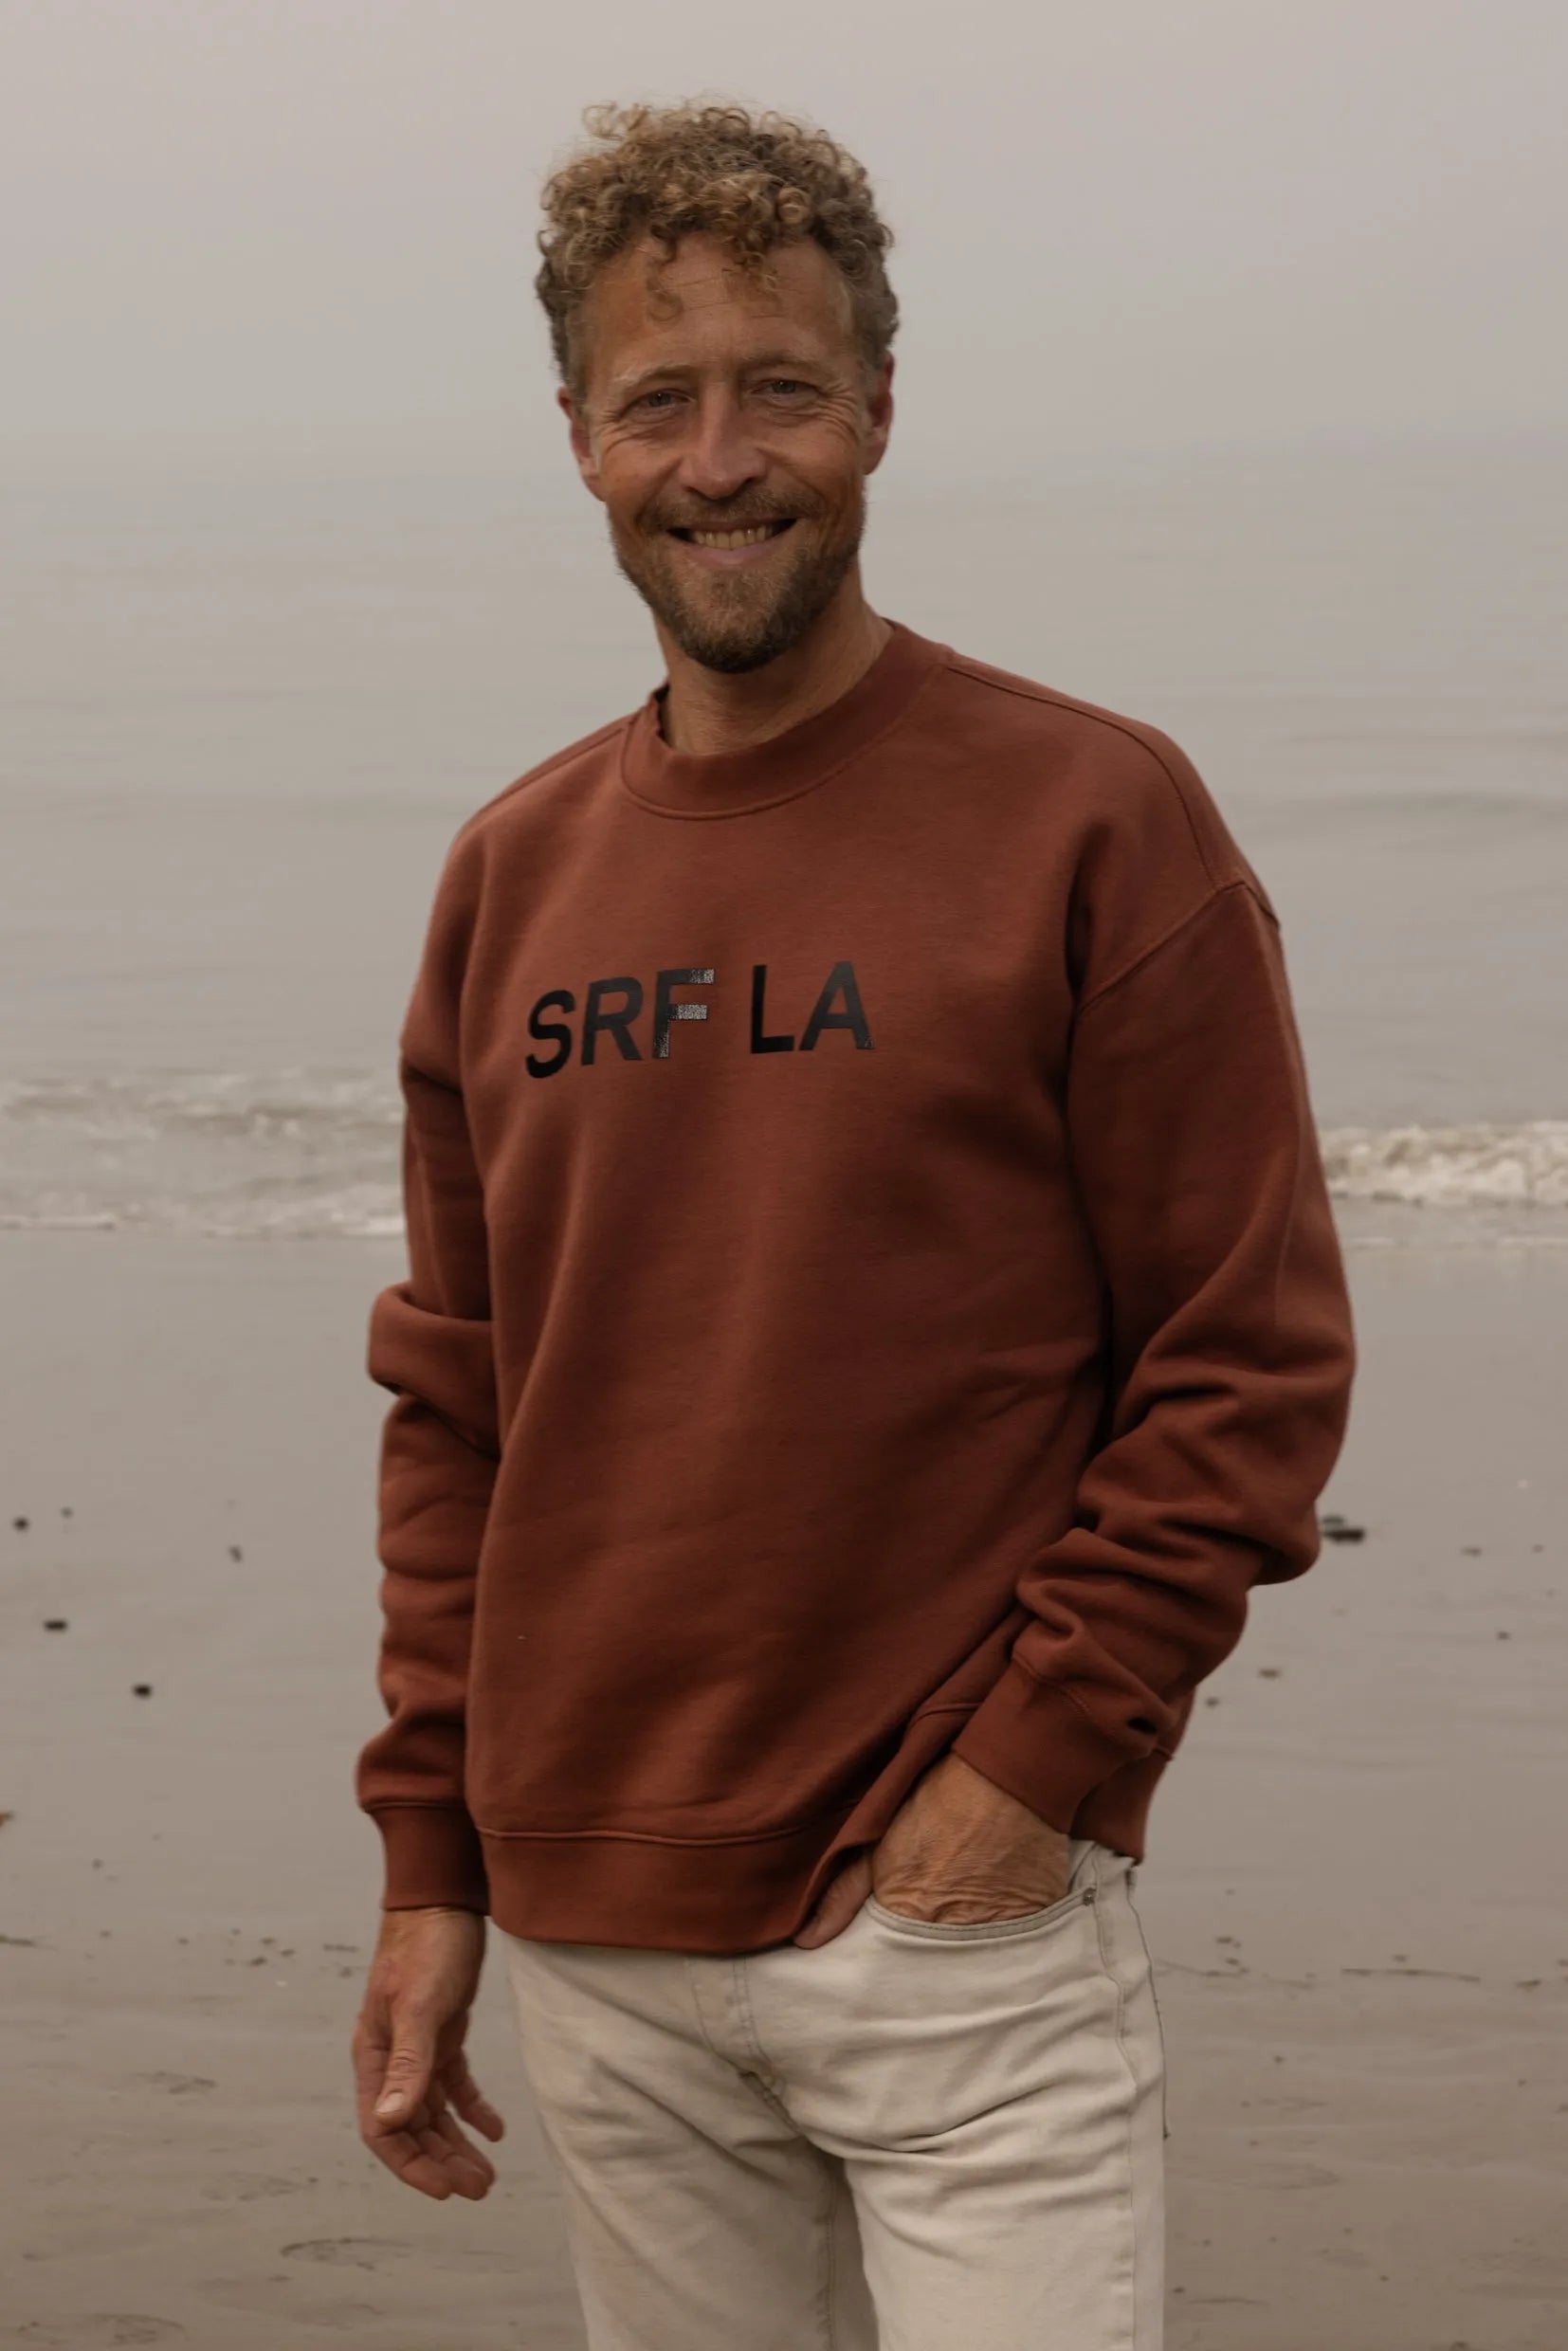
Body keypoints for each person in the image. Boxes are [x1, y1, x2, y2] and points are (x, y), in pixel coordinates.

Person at [348, 98, 1357, 2351]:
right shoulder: (510, 874)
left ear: (878, 407)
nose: (721, 461)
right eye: (658, 402)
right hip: (597, 1922)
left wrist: (1027, 1776)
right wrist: (433, 1865)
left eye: (780, 389)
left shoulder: (1090, 815)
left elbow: (1245, 1359)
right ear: (579, 439)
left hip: (956, 1928)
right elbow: (458, 1409)